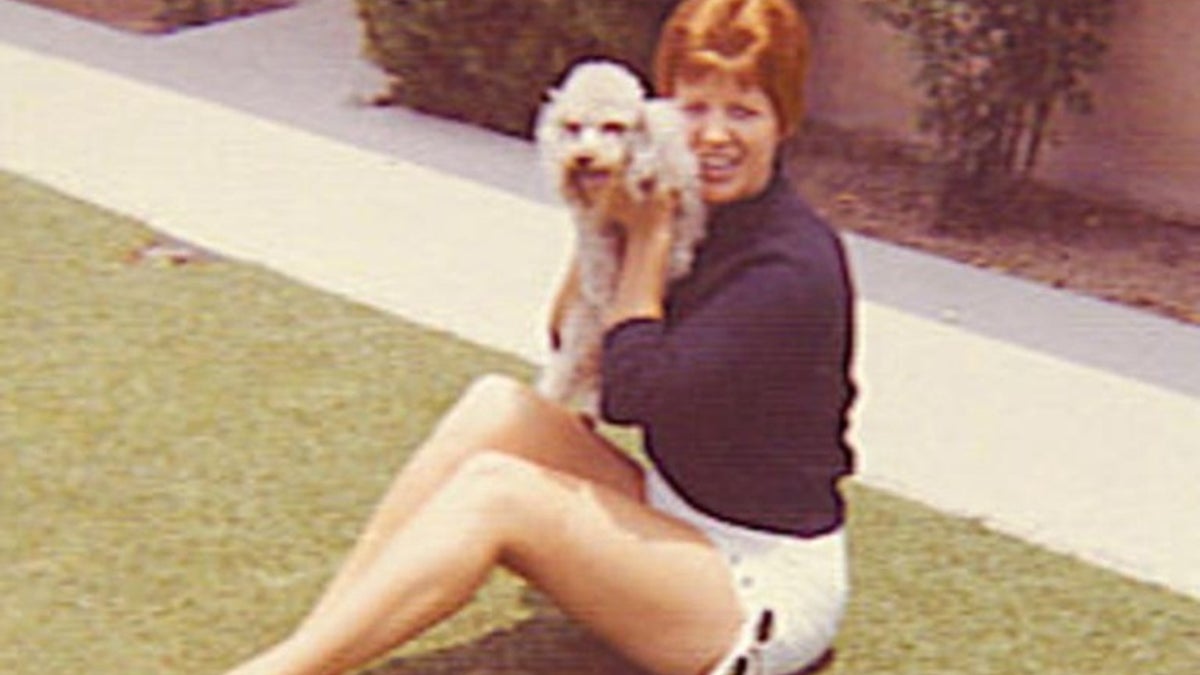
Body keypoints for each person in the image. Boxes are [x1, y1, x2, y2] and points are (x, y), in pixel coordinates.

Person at [224, 0, 856, 673]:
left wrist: (645, 240)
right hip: (681, 509)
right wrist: (600, 222)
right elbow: (565, 334)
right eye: (694, 108)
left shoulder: (789, 266)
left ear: (783, 121)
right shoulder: (682, 203)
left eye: (745, 112)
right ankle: (318, 639)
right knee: (498, 406)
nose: (714, 136)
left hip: (759, 588)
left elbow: (630, 392)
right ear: (662, 113)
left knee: (499, 491)